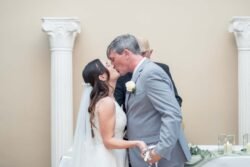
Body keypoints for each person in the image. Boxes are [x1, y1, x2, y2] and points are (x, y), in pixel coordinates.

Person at [107, 34, 191, 167]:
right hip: (145, 156)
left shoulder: (150, 73)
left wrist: (159, 151)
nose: (112, 64)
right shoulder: (139, 73)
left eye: (113, 59)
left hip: (159, 157)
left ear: (126, 53)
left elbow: (172, 114)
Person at [70, 59, 147, 167]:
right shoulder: (106, 102)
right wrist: (138, 143)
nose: (112, 64)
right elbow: (108, 141)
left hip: (113, 155)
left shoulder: (110, 99)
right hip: (106, 159)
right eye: (107, 65)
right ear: (102, 77)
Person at [114, 37, 182, 112]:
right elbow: (116, 106)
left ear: (150, 52)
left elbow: (176, 99)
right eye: (136, 54)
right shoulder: (123, 74)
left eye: (143, 53)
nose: (139, 57)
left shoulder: (162, 68)